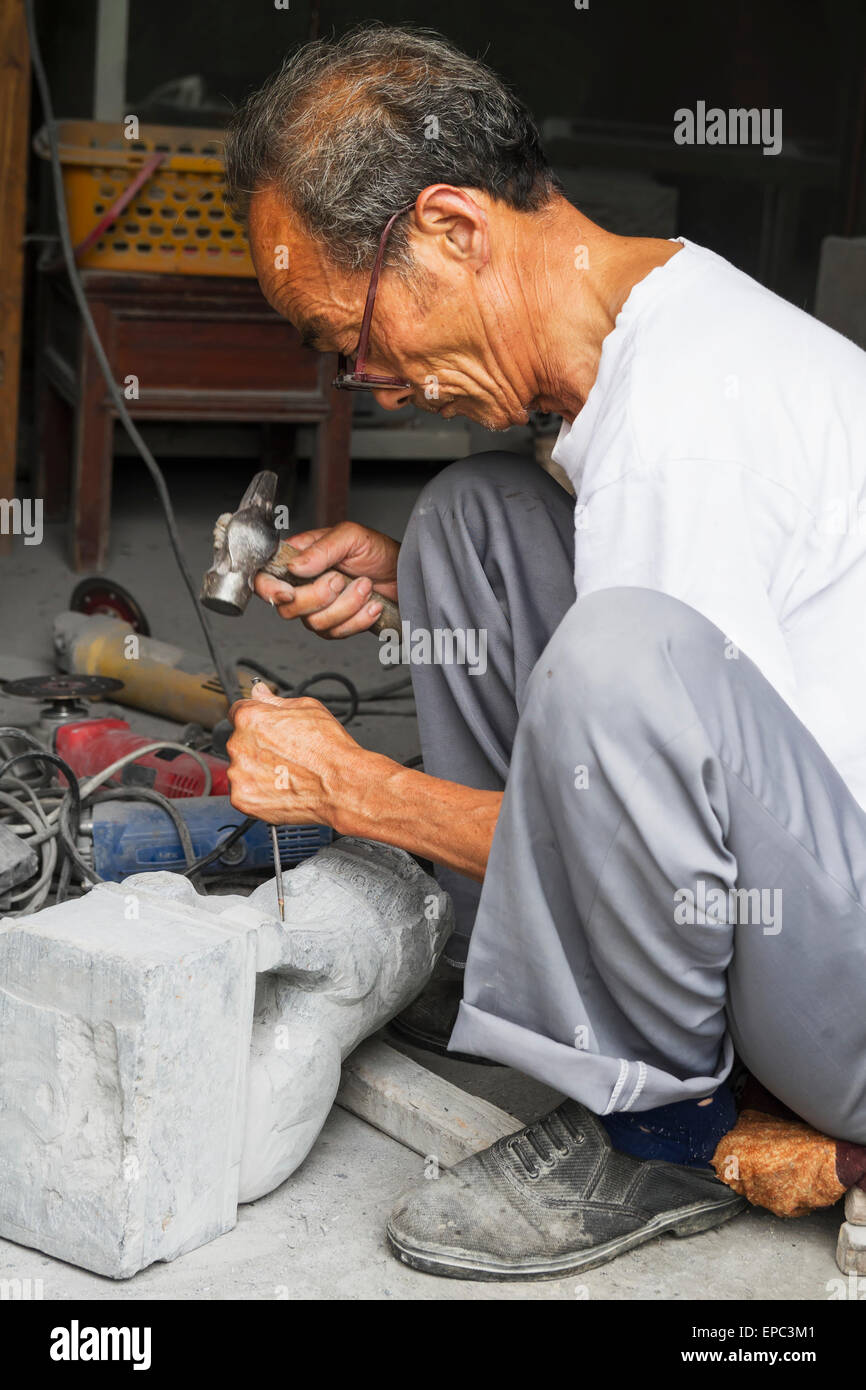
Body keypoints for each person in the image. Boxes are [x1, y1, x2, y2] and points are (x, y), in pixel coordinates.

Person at [222, 24, 866, 1279]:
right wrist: (415, 589)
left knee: (616, 662)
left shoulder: (690, 422)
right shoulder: (660, 322)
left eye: (350, 339)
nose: (374, 384)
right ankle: (512, 966)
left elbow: (637, 777)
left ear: (455, 230)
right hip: (816, 849)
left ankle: (661, 1122)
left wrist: (355, 790)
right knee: (476, 522)